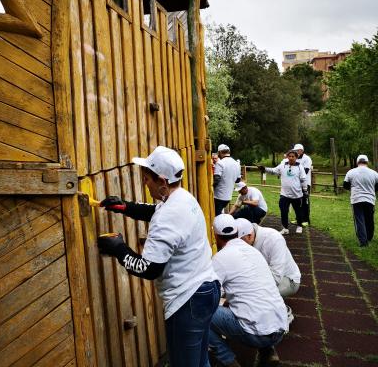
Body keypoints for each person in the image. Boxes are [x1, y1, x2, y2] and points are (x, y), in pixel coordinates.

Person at [97, 146, 220, 366]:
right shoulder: (183, 198)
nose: (145, 182)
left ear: (162, 181)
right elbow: (155, 211)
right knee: (200, 361)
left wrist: (118, 248)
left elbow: (149, 269)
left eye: (147, 179)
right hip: (207, 289)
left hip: (187, 300)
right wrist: (125, 207)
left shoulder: (168, 217)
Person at [209, 214, 287, 367]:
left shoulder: (220, 258)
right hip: (280, 327)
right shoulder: (255, 252)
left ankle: (229, 361)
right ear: (237, 232)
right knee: (256, 305)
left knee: (198, 314)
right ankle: (268, 352)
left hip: (255, 334)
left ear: (216, 235)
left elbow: (209, 296)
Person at [236, 218, 301, 328]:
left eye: (241, 242)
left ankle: (285, 313)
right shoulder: (248, 240)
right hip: (264, 277)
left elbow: (276, 277)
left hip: (288, 279)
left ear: (249, 236)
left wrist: (252, 291)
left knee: (255, 298)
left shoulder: (274, 238)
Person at [258, 149, 307, 235]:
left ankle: (299, 226)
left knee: (298, 211)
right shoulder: (283, 165)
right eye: (290, 156)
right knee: (283, 211)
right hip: (284, 194)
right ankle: (285, 228)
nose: (291, 158)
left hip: (297, 195)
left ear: (296, 157)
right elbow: (273, 171)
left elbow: (303, 179)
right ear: (287, 157)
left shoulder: (300, 167)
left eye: (293, 156)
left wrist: (305, 190)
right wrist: (264, 169)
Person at [343, 154, 378, 247]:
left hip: (357, 199)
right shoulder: (374, 173)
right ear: (367, 162)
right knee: (369, 219)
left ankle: (363, 241)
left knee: (360, 220)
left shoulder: (351, 172)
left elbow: (345, 185)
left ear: (357, 162)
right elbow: (377, 187)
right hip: (370, 199)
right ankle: (369, 237)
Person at [213, 144, 241, 216]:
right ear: (229, 152)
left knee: (216, 216)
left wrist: (211, 188)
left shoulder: (220, 163)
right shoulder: (236, 164)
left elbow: (217, 179)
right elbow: (238, 180)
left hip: (218, 196)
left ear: (219, 152)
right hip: (228, 196)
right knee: (219, 214)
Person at [293, 144, 313, 225]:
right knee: (297, 201)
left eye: (297, 150)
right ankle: (298, 219)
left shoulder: (307, 158)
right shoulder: (295, 159)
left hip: (305, 184)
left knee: (305, 202)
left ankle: (306, 220)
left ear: (301, 150)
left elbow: (305, 171)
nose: (296, 152)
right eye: (295, 150)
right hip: (296, 184)